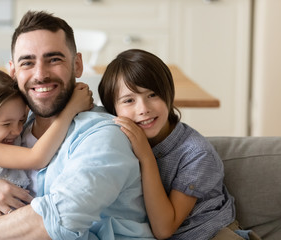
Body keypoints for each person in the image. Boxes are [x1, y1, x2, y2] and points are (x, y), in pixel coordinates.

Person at [0, 11, 155, 239]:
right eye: (27, 63)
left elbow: (61, 219)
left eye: (54, 59)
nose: (40, 74)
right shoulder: (13, 129)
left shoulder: (103, 136)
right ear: (13, 72)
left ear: (77, 65)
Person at [98, 49, 259, 240]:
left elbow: (164, 229)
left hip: (211, 234)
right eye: (129, 100)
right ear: (113, 110)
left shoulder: (197, 154)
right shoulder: (114, 139)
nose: (143, 109)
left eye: (152, 95)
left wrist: (146, 156)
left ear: (168, 94)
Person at [0, 67, 93, 218]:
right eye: (6, 124)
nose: (17, 130)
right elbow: (36, 158)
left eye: (21, 120)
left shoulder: (11, 138)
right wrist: (70, 110)